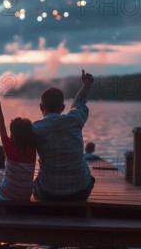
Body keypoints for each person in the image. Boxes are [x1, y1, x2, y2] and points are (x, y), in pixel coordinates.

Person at [32, 69, 95, 201]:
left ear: (41, 107)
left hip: (47, 194)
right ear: (62, 108)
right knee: (87, 171)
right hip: (79, 193)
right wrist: (86, 85)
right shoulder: (75, 119)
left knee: (37, 181)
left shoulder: (35, 128)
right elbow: (79, 103)